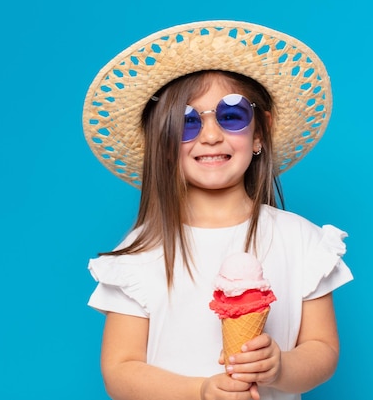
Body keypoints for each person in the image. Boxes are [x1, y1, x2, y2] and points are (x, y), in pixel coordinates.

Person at [82, 20, 353, 400]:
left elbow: (322, 351)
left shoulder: (302, 240)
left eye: (231, 116)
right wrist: (201, 390)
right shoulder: (142, 250)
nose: (210, 136)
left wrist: (281, 366)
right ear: (163, 143)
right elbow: (120, 372)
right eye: (186, 123)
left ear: (260, 132)